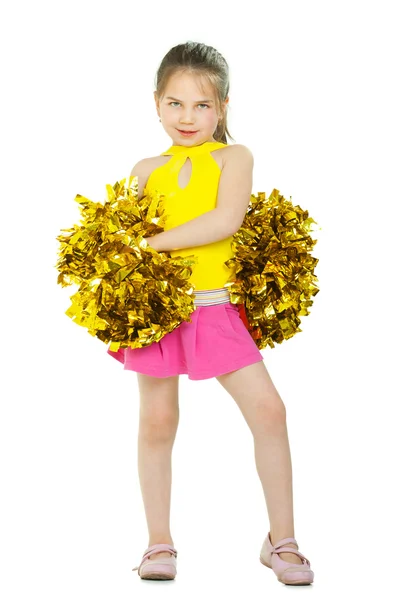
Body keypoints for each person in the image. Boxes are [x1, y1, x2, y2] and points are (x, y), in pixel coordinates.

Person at [108, 41, 314, 585]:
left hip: (215, 309)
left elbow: (224, 221)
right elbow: (129, 234)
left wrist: (150, 247)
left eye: (201, 105)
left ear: (222, 105)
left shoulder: (234, 157)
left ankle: (282, 540)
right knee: (156, 422)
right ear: (156, 103)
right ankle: (158, 543)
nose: (187, 117)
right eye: (175, 103)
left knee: (269, 411)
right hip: (160, 313)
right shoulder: (145, 169)